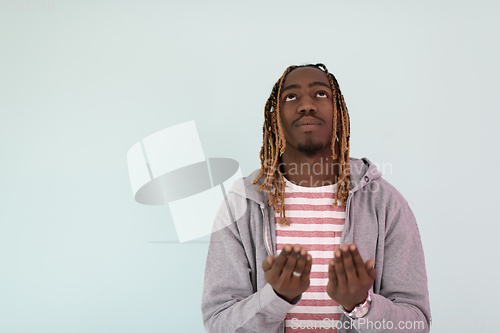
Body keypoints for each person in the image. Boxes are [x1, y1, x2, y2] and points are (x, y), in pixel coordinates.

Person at [201, 63, 431, 332]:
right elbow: (219, 323)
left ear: (339, 112)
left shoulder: (385, 203)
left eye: (320, 94)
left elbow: (416, 323)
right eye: (291, 96)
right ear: (275, 117)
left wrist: (361, 304)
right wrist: (276, 298)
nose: (306, 105)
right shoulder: (242, 203)